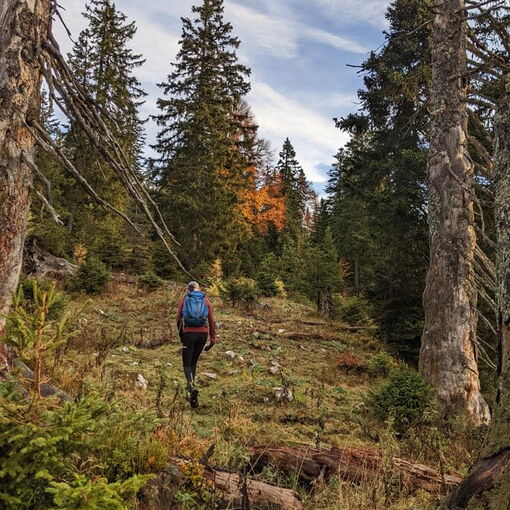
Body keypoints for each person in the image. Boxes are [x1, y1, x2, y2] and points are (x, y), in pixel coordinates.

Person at [176, 281, 216, 408]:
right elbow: (211, 320)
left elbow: (178, 319)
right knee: (194, 362)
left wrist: (182, 335)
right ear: (199, 289)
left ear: (188, 289)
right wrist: (212, 339)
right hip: (203, 334)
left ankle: (191, 385)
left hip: (189, 334)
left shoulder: (184, 300)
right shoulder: (206, 300)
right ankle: (191, 393)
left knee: (187, 362)